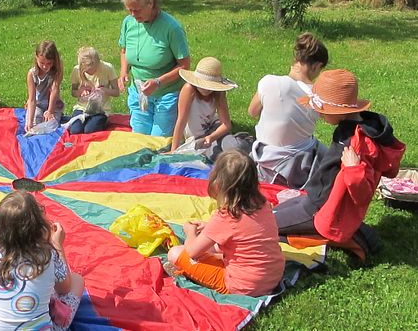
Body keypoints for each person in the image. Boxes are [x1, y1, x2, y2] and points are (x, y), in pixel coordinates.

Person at [273, 69, 405, 252]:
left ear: (340, 111)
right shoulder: (352, 128)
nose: (319, 115)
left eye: (322, 110)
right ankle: (352, 228)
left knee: (265, 226)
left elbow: (363, 195)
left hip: (322, 208)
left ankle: (353, 235)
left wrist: (353, 169)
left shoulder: (358, 142)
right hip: (315, 197)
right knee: (270, 211)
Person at [164, 150, 285, 297]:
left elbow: (192, 252)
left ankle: (192, 274)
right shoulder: (263, 205)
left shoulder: (226, 215)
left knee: (175, 253)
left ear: (219, 183)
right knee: (214, 248)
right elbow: (240, 232)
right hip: (273, 276)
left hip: (243, 286)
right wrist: (209, 228)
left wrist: (189, 232)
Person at [0, 190, 84, 330]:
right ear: (39, 226)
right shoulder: (48, 255)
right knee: (77, 280)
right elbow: (64, 289)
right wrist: (57, 245)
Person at [248, 33, 330, 189]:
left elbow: (252, 111)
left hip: (264, 157)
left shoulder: (269, 82)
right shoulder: (317, 97)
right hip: (298, 166)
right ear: (316, 66)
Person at [117, 0, 191, 136]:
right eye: (129, 10)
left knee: (158, 144)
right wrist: (124, 71)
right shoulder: (128, 22)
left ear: (150, 4)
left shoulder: (172, 28)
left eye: (136, 10)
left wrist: (158, 82)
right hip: (139, 93)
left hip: (166, 94)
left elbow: (184, 65)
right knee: (139, 140)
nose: (132, 14)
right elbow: (123, 50)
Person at [171, 57, 246, 161]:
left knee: (235, 147)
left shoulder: (218, 93)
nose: (206, 90)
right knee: (218, 157)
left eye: (210, 87)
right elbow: (181, 120)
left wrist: (211, 137)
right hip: (197, 140)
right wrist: (173, 150)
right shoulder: (189, 90)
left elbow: (226, 124)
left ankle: (248, 146)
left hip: (214, 131)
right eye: (203, 86)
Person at [67, 46, 119, 134]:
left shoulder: (107, 68)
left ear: (98, 63)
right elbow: (73, 92)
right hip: (82, 107)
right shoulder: (76, 70)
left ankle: (104, 121)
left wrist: (104, 90)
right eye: (86, 71)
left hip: (101, 109)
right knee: (75, 130)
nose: (89, 73)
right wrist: (80, 92)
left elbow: (116, 92)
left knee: (89, 130)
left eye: (92, 70)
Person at [25, 40, 65, 133]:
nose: (45, 66)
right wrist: (29, 121)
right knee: (35, 125)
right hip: (38, 104)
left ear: (54, 61)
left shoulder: (57, 70)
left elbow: (54, 89)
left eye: (49, 64)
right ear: (36, 58)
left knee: (50, 126)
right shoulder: (32, 74)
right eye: (42, 63)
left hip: (54, 104)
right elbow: (32, 100)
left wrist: (50, 111)